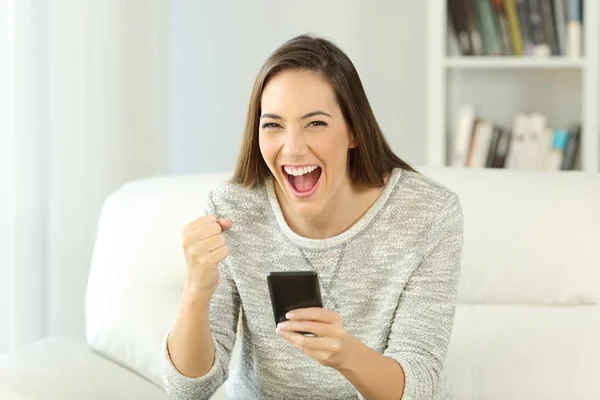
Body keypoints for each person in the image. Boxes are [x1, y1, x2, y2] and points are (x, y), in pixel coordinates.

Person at [162, 33, 464, 400]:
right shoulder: (233, 211)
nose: (292, 148)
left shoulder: (428, 213)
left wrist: (346, 355)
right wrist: (196, 288)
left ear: (354, 130)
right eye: (273, 125)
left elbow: (419, 387)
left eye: (315, 123)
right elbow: (187, 389)